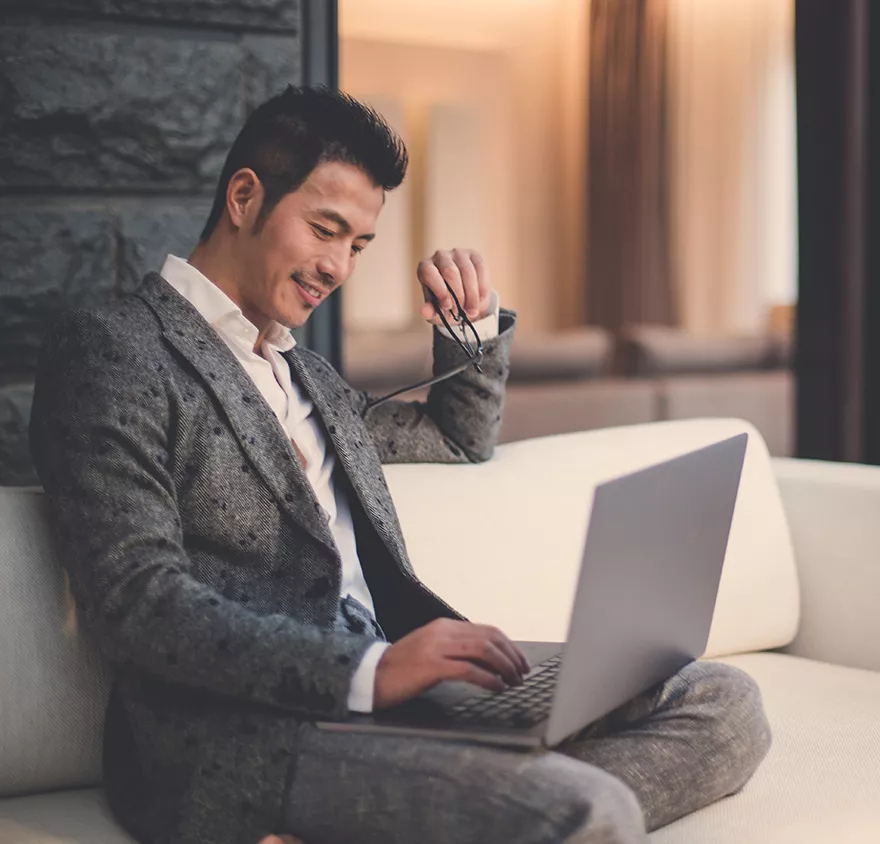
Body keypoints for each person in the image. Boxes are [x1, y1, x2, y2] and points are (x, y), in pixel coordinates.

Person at [29, 86, 771, 844]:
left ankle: (503, 806)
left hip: (406, 710)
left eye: (357, 245)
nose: (338, 267)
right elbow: (138, 603)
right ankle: (532, 807)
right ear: (245, 197)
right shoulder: (117, 350)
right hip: (258, 734)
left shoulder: (308, 376)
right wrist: (370, 671)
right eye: (326, 229)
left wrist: (469, 324)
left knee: (724, 702)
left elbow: (457, 438)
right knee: (588, 810)